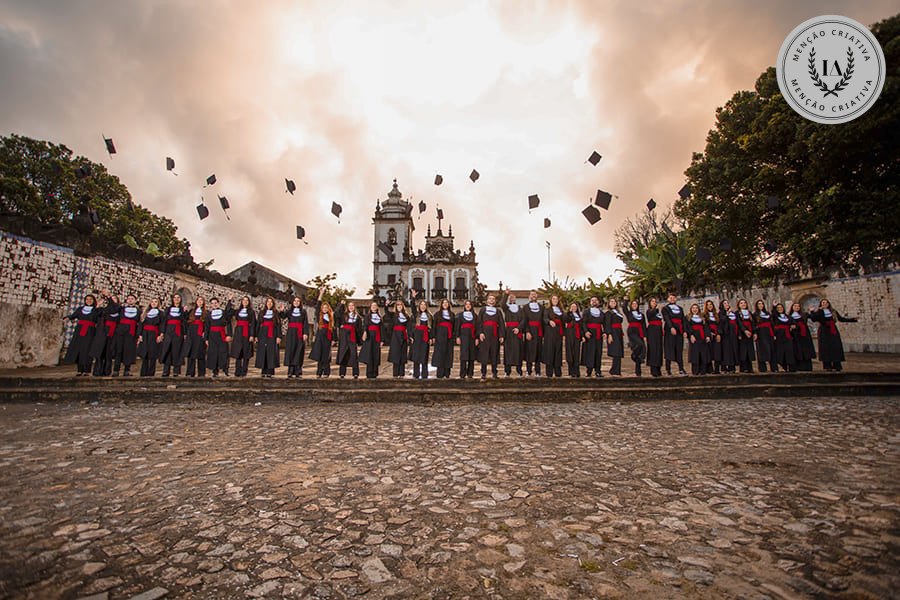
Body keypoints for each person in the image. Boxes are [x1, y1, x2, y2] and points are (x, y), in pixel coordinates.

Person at [809, 298, 856, 371]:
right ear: (821, 304)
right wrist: (812, 311)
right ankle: (827, 365)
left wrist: (853, 319)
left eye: (826, 303)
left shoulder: (833, 311)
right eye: (823, 303)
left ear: (828, 304)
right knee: (825, 347)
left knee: (835, 346)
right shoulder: (819, 312)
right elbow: (814, 319)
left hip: (833, 330)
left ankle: (837, 364)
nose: (824, 304)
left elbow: (841, 319)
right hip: (824, 330)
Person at [63, 293, 99, 376]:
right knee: (79, 349)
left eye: (91, 299)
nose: (89, 301)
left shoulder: (96, 310)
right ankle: (80, 369)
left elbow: (96, 318)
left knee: (87, 350)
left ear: (93, 301)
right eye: (87, 299)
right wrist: (67, 318)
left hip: (90, 332)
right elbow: (73, 315)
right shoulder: (81, 309)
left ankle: (87, 370)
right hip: (80, 331)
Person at [89, 291, 119, 376]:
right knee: (99, 352)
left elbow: (114, 307)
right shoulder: (104, 310)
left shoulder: (118, 308)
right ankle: (97, 370)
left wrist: (108, 296)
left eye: (114, 298)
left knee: (108, 353)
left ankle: (107, 371)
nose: (112, 300)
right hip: (102, 332)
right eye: (111, 298)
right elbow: (93, 316)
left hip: (112, 333)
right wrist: (97, 305)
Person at [111, 294, 140, 377]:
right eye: (129, 299)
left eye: (132, 299)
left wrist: (138, 335)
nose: (130, 300)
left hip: (131, 333)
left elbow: (139, 323)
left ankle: (127, 370)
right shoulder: (121, 309)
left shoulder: (138, 311)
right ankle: (116, 370)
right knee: (119, 351)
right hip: (121, 332)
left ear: (135, 300)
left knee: (129, 351)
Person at [159, 293, 187, 377]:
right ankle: (166, 370)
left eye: (178, 297)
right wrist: (162, 332)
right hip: (168, 331)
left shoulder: (182, 310)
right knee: (167, 349)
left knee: (177, 350)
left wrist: (185, 333)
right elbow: (164, 321)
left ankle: (176, 370)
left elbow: (184, 322)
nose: (176, 299)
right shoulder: (168, 309)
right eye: (175, 298)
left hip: (178, 332)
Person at [478, 293, 505, 379]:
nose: (492, 300)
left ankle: (494, 372)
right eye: (490, 299)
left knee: (494, 353)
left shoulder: (498, 311)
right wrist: (480, 333)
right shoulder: (482, 310)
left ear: (495, 301)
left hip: (494, 335)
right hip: (485, 335)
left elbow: (501, 324)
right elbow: (479, 323)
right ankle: (483, 373)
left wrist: (501, 335)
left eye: (493, 299)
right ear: (487, 300)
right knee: (484, 353)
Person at [280, 296, 308, 378]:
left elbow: (305, 323)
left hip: (299, 333)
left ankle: (298, 371)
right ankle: (290, 371)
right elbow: (283, 316)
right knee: (290, 351)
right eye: (295, 301)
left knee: (299, 351)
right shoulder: (290, 311)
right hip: (291, 333)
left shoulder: (303, 312)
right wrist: (281, 311)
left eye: (298, 301)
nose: (296, 302)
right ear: (292, 302)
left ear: (300, 303)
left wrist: (305, 333)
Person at [335, 300, 363, 379]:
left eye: (352, 305)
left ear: (354, 307)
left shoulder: (358, 317)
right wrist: (341, 304)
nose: (351, 307)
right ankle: (342, 373)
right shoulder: (344, 315)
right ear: (347, 307)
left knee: (354, 355)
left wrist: (360, 340)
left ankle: (355, 373)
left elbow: (359, 329)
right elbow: (337, 314)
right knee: (343, 354)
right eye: (349, 305)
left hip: (352, 337)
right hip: (344, 337)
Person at [206, 297, 232, 377]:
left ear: (218, 303)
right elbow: (207, 327)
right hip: (212, 336)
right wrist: (206, 339)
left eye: (215, 303)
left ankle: (225, 370)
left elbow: (228, 323)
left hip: (222, 334)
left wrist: (229, 335)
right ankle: (215, 371)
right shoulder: (209, 314)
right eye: (212, 303)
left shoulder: (223, 313)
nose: (214, 304)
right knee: (214, 353)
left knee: (224, 352)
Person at [182, 296, 208, 377]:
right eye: (198, 300)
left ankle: (201, 373)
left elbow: (207, 324)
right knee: (191, 352)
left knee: (200, 352)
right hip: (192, 332)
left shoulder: (206, 313)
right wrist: (184, 312)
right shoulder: (191, 311)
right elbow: (186, 321)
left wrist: (205, 333)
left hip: (200, 333)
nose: (200, 301)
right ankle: (190, 372)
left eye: (201, 300)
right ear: (196, 302)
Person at [255, 296, 281, 377]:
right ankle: (263, 370)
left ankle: (270, 371)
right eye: (268, 302)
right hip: (262, 334)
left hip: (272, 333)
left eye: (271, 302)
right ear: (266, 303)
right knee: (263, 352)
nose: (269, 303)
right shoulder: (262, 313)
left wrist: (278, 336)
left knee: (271, 352)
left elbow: (278, 326)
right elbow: (258, 324)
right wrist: (256, 335)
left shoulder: (276, 313)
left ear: (273, 304)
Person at [662, 293, 687, 376]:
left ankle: (681, 369)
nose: (672, 299)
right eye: (670, 297)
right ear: (668, 299)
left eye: (674, 297)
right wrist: (671, 327)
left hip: (679, 331)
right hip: (670, 331)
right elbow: (667, 318)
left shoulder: (680, 308)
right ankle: (668, 369)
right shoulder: (665, 308)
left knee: (679, 350)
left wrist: (684, 331)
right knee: (669, 350)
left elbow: (683, 320)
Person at [231, 296, 256, 377]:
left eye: (246, 300)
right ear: (241, 302)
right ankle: (237, 370)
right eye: (243, 300)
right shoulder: (238, 311)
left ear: (249, 302)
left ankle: (244, 371)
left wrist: (252, 335)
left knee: (246, 352)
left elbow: (253, 324)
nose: (245, 302)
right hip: (238, 332)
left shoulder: (251, 312)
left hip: (247, 332)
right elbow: (228, 312)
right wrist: (229, 300)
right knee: (238, 351)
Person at [359, 302, 385, 379]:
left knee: (376, 355)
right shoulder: (367, 316)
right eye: (372, 306)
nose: (374, 307)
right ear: (370, 307)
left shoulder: (380, 317)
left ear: (377, 307)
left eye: (375, 306)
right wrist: (365, 332)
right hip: (369, 337)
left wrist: (382, 340)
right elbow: (365, 326)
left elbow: (381, 329)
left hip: (377, 337)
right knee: (369, 355)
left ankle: (375, 372)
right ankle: (369, 373)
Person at [137, 298, 162, 376]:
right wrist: (140, 335)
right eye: (152, 302)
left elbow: (162, 324)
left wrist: (160, 335)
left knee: (153, 353)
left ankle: (151, 372)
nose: (154, 303)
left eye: (155, 302)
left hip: (154, 334)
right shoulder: (145, 313)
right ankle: (143, 372)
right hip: (145, 334)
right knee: (145, 352)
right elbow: (141, 324)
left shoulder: (161, 313)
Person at [521, 291, 544, 376]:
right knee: (529, 351)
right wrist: (527, 331)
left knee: (538, 351)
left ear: (537, 296)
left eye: (535, 294)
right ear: (529, 296)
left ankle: (538, 371)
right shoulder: (525, 307)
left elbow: (542, 321)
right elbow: (524, 320)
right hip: (530, 331)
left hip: (538, 331)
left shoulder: (541, 307)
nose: (533, 296)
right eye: (532, 294)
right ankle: (528, 370)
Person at [431, 298, 455, 379]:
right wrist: (433, 336)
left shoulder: (452, 314)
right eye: (443, 303)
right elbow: (434, 326)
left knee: (448, 354)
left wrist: (454, 337)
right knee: (440, 355)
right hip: (440, 336)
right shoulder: (437, 314)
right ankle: (440, 373)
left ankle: (447, 373)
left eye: (446, 303)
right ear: (441, 304)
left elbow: (454, 327)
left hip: (449, 337)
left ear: (448, 304)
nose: (445, 304)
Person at [542, 294, 565, 378]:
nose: (555, 300)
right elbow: (544, 318)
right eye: (553, 299)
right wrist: (549, 321)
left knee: (558, 352)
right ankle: (549, 372)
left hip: (558, 333)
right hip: (550, 333)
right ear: (551, 300)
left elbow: (564, 319)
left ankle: (558, 372)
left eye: (556, 299)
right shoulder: (547, 310)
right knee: (549, 352)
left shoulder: (561, 310)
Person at [789, 302, 815, 372]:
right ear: (792, 307)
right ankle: (798, 366)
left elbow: (813, 318)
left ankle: (807, 366)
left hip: (804, 334)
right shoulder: (790, 316)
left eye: (798, 306)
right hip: (795, 335)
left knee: (806, 350)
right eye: (795, 306)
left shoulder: (804, 314)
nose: (796, 307)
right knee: (797, 350)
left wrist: (812, 311)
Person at [387, 299, 411, 378]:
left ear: (403, 306)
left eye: (400, 304)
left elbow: (409, 327)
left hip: (403, 336)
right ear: (396, 306)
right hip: (395, 336)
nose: (399, 306)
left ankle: (402, 374)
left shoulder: (406, 316)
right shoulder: (393, 315)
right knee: (395, 355)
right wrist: (386, 305)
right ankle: (395, 374)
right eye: (397, 305)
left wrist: (410, 336)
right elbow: (386, 312)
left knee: (402, 355)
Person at [581, 296, 604, 377]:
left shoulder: (601, 312)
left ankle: (598, 370)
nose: (594, 302)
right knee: (590, 352)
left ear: (598, 302)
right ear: (590, 302)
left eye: (596, 300)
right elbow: (583, 322)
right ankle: (589, 370)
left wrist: (604, 332)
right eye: (592, 300)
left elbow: (603, 323)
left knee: (598, 352)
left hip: (598, 334)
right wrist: (586, 332)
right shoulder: (586, 311)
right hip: (590, 334)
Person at [502, 291, 524, 377]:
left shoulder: (520, 309)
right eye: (510, 297)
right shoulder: (506, 308)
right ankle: (507, 371)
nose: (512, 298)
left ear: (516, 299)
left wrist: (518, 328)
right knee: (508, 351)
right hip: (508, 332)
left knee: (518, 351)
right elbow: (502, 303)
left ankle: (519, 371)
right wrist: (506, 294)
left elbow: (523, 320)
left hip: (517, 332)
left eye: (513, 297)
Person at [410, 296, 432, 379]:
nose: (423, 306)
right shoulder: (416, 314)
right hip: (417, 336)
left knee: (424, 356)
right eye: (421, 305)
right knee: (416, 356)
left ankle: (424, 374)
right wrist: (413, 298)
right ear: (419, 306)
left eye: (424, 305)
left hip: (425, 337)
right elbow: (412, 307)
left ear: (426, 306)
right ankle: (416, 374)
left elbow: (431, 328)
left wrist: (431, 338)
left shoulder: (429, 316)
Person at [455, 300, 478, 379]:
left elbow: (477, 328)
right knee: (464, 355)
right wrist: (457, 337)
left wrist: (477, 338)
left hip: (472, 337)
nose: (468, 306)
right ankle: (462, 374)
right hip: (463, 337)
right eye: (466, 304)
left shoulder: (475, 316)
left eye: (469, 304)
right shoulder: (460, 315)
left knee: (472, 355)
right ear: (464, 306)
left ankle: (470, 373)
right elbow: (457, 327)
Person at [687, 303, 710, 375]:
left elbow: (706, 327)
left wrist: (707, 336)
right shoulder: (688, 318)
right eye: (693, 308)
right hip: (694, 337)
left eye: (696, 308)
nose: (695, 309)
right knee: (695, 355)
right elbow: (687, 327)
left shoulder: (702, 318)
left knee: (703, 354)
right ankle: (695, 371)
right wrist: (691, 335)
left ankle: (703, 370)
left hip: (702, 337)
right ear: (691, 309)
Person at [772, 302, 796, 372]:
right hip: (779, 336)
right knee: (780, 352)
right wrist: (774, 306)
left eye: (781, 308)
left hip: (788, 335)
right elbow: (773, 315)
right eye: (778, 308)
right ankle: (783, 366)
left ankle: (791, 367)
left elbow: (793, 323)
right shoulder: (775, 317)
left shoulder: (788, 317)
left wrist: (793, 326)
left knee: (789, 351)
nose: (780, 309)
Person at [625, 299, 647, 377]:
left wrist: (645, 335)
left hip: (639, 331)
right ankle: (633, 355)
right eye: (633, 304)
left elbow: (644, 325)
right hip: (632, 331)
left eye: (636, 304)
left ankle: (638, 371)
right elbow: (624, 307)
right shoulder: (629, 313)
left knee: (642, 348)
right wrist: (626, 300)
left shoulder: (641, 315)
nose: (634, 305)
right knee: (640, 344)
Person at [753, 299, 775, 373]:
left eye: (762, 304)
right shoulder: (755, 314)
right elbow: (753, 325)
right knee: (761, 350)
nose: (760, 305)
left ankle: (773, 367)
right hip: (760, 333)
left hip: (769, 332)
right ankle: (762, 368)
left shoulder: (767, 313)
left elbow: (772, 323)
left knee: (772, 349)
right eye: (759, 304)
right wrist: (755, 333)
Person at [604, 298, 625, 376]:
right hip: (613, 332)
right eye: (611, 302)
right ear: (608, 303)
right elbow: (607, 324)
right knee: (615, 351)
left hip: (619, 332)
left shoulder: (618, 312)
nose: (613, 303)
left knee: (619, 352)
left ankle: (617, 370)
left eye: (614, 302)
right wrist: (609, 334)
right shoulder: (608, 313)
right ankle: (614, 370)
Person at [718, 300, 739, 374]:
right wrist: (727, 314)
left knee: (733, 350)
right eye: (725, 303)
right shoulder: (721, 313)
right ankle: (724, 367)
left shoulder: (733, 313)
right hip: (725, 334)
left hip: (733, 334)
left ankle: (732, 366)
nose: (727, 304)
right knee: (726, 351)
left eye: (727, 303)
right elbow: (722, 321)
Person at [645, 297, 664, 377]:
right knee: (653, 349)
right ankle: (653, 369)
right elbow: (650, 315)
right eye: (652, 301)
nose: (654, 303)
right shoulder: (649, 311)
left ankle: (658, 368)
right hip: (652, 331)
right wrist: (656, 309)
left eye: (655, 301)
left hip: (658, 331)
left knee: (659, 349)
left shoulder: (658, 312)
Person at [735, 299, 756, 373]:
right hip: (742, 334)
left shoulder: (749, 313)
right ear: (738, 305)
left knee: (749, 350)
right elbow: (739, 322)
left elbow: (753, 323)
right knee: (743, 351)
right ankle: (743, 367)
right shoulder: (737, 313)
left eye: (744, 303)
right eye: (741, 303)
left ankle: (750, 367)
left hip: (750, 333)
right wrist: (744, 331)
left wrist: (754, 333)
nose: (743, 304)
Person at [564, 302, 583, 377]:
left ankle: (577, 371)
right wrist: (570, 312)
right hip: (569, 335)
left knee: (576, 353)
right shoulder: (568, 315)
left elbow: (581, 327)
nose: (574, 308)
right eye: (572, 306)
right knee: (570, 353)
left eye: (575, 307)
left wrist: (582, 336)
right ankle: (571, 371)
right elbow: (566, 319)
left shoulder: (579, 316)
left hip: (577, 336)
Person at [703, 299, 722, 374]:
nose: (709, 306)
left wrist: (718, 334)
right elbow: (705, 326)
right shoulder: (704, 315)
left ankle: (717, 369)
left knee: (717, 352)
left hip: (716, 334)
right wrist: (709, 334)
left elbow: (719, 325)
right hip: (709, 336)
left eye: (711, 304)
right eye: (708, 305)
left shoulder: (716, 315)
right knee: (709, 352)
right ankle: (710, 369)